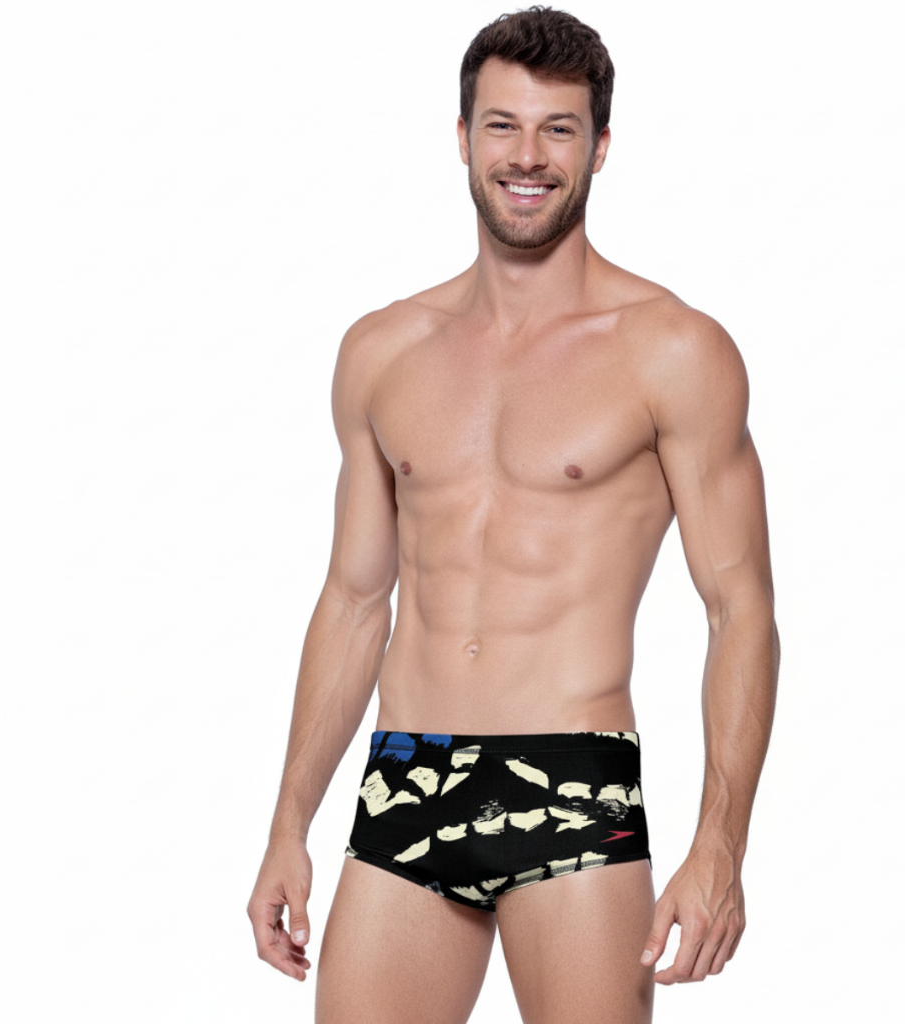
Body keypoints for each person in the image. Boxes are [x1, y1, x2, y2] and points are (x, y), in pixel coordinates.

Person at [247, 7, 779, 1022]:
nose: (527, 156)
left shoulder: (672, 350)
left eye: (557, 129)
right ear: (462, 138)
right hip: (407, 778)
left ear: (600, 146)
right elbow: (354, 601)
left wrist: (721, 844)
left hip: (571, 782)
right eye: (502, 125)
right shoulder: (382, 350)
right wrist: (288, 823)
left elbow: (739, 609)